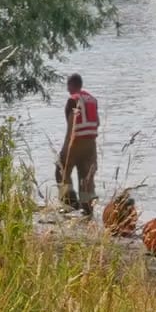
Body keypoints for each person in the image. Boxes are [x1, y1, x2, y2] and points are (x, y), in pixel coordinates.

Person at [57, 73, 99, 215]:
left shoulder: (72, 100)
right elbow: (97, 123)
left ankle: (70, 202)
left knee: (61, 170)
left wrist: (64, 150)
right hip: (91, 144)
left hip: (76, 142)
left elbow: (71, 126)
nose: (67, 89)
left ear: (71, 85)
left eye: (68, 85)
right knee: (86, 177)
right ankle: (87, 207)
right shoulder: (93, 100)